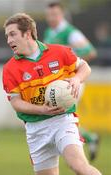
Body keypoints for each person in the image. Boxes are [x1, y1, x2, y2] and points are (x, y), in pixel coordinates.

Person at [2, 13, 102, 175]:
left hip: (63, 120)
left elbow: (85, 68)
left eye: (13, 34)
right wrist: (42, 109)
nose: (9, 40)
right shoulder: (10, 69)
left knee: (78, 166)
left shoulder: (59, 52)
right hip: (36, 130)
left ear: (27, 33)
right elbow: (16, 103)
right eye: (7, 36)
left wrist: (76, 79)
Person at [43, 2, 99, 161]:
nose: (51, 18)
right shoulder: (49, 31)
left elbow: (90, 52)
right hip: (57, 84)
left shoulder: (70, 32)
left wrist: (70, 53)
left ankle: (77, 158)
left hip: (72, 83)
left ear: (62, 15)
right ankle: (89, 139)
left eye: (54, 14)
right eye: (48, 15)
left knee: (63, 120)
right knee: (61, 120)